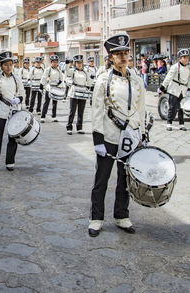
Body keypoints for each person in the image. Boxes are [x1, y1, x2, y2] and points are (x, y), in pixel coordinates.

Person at [89, 33, 146, 237]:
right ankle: (96, 218)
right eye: (118, 54)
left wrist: (142, 134)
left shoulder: (137, 79)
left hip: (130, 137)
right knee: (101, 179)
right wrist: (98, 140)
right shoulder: (104, 79)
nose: (123, 57)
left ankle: (122, 216)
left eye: (125, 53)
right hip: (110, 136)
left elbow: (141, 109)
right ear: (111, 57)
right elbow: (97, 110)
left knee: (126, 179)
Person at [0, 51, 25, 173]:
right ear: (1, 66)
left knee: (13, 137)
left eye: (10, 64)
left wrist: (20, 99)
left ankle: (10, 161)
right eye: (6, 65)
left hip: (14, 110)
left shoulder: (17, 79)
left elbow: (23, 93)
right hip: (0, 109)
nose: (8, 67)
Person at [160, 48, 189, 131]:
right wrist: (163, 86)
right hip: (174, 89)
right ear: (180, 58)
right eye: (184, 57)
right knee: (172, 107)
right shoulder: (175, 67)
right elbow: (168, 77)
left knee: (181, 108)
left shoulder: (188, 68)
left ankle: (181, 124)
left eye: (187, 57)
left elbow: (188, 79)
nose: (186, 59)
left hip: (183, 90)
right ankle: (169, 123)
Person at [66, 55, 92, 135]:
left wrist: (90, 85)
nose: (79, 64)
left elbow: (89, 82)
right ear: (75, 64)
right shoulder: (72, 71)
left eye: (81, 62)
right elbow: (67, 71)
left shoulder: (86, 72)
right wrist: (67, 62)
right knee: (72, 111)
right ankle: (69, 127)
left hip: (83, 93)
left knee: (81, 111)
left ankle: (79, 128)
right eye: (77, 63)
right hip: (74, 93)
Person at [40, 55, 64, 123]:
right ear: (51, 62)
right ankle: (43, 116)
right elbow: (44, 78)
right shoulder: (48, 70)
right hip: (49, 87)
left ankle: (54, 116)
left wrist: (59, 81)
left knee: (54, 103)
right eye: (53, 62)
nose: (55, 63)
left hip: (56, 87)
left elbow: (61, 78)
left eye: (56, 62)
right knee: (46, 102)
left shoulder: (59, 70)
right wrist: (41, 86)